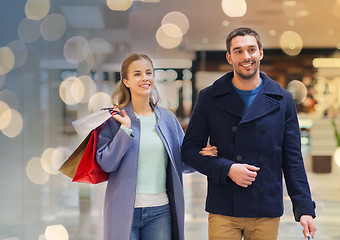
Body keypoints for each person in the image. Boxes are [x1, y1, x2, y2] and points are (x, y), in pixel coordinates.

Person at [181, 27, 317, 240]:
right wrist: (228, 168)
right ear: (229, 57)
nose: (246, 56)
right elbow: (188, 150)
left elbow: (292, 159)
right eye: (238, 51)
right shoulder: (209, 97)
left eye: (251, 49)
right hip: (224, 206)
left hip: (265, 208)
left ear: (260, 53)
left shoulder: (282, 100)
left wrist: (304, 208)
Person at [96, 53, 217, 240]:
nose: (145, 78)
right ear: (126, 81)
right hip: (123, 210)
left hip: (160, 211)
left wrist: (201, 155)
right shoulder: (115, 119)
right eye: (137, 74)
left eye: (149, 72)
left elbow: (182, 163)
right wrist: (125, 131)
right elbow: (107, 164)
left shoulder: (167, 119)